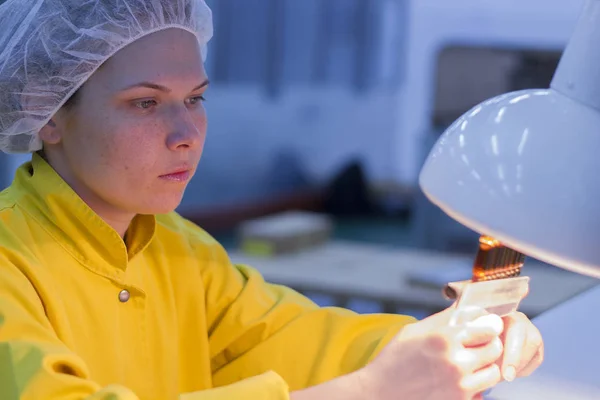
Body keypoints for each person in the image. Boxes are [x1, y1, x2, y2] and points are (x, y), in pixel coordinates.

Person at [0, 0, 543, 399]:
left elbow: (296, 338)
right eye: (145, 103)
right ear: (45, 112)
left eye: (195, 98)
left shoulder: (179, 249)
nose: (185, 132)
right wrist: (367, 391)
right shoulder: (10, 265)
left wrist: (449, 343)